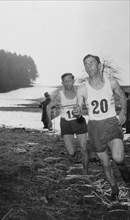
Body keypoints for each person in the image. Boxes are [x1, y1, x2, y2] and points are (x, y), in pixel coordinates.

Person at [74, 54, 130, 201]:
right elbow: (78, 107)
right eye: (85, 64)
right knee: (105, 163)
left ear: (98, 64)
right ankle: (114, 188)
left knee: (118, 157)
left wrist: (123, 110)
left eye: (91, 63)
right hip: (94, 127)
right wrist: (78, 112)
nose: (88, 66)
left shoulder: (110, 82)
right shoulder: (82, 88)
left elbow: (122, 95)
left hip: (111, 123)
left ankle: (123, 168)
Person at [47, 73, 89, 174]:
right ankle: (75, 156)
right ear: (62, 83)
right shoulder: (59, 95)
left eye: (69, 80)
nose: (67, 83)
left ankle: (86, 172)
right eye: (65, 81)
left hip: (79, 121)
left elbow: (90, 104)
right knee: (71, 152)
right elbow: (48, 107)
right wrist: (49, 121)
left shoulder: (80, 92)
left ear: (73, 81)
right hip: (66, 123)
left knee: (84, 149)